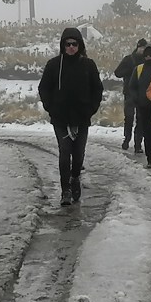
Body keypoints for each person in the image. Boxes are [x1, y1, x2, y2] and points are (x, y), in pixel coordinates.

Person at [38, 26, 104, 206]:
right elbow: (44, 88)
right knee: (65, 153)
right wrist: (50, 107)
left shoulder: (88, 65)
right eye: (67, 44)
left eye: (74, 44)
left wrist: (91, 108)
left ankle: (75, 177)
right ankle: (65, 190)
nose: (71, 47)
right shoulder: (53, 65)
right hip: (60, 118)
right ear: (63, 45)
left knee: (79, 154)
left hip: (82, 118)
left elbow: (97, 89)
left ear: (79, 45)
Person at [128, 44, 151, 168]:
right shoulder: (138, 69)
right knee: (147, 132)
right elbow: (132, 86)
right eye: (146, 55)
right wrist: (136, 99)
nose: (148, 57)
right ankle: (150, 159)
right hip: (142, 106)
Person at [114, 38, 149, 152]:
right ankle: (127, 139)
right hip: (129, 93)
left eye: (144, 48)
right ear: (137, 47)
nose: (142, 50)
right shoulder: (129, 59)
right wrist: (130, 71)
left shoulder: (147, 61)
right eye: (141, 48)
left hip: (142, 94)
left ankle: (138, 144)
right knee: (129, 118)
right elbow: (117, 73)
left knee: (140, 119)